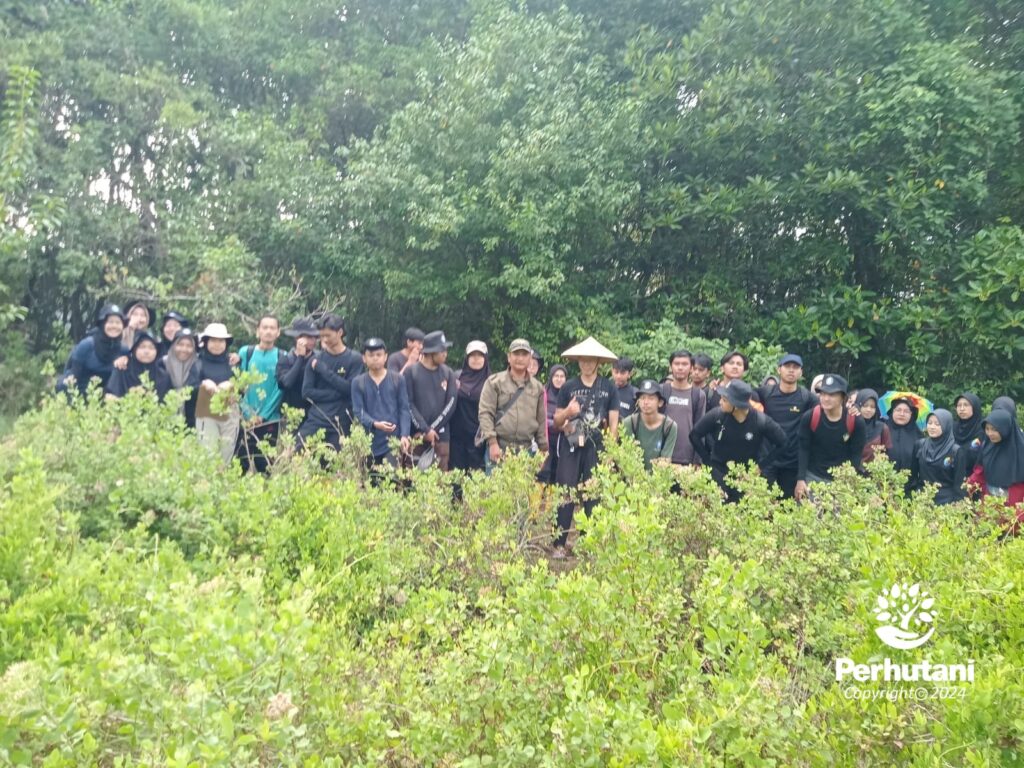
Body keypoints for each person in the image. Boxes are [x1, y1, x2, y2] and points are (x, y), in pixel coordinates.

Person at [552, 337, 619, 558]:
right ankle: (559, 544)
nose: (587, 364)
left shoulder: (609, 387)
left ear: (598, 362)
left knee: (593, 495)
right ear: (578, 360)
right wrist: (568, 412)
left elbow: (613, 423)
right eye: (583, 360)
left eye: (591, 360)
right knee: (566, 492)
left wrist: (611, 451)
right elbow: (557, 421)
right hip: (571, 446)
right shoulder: (568, 387)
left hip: (596, 447)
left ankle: (589, 543)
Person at [690, 380, 787, 502]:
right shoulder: (717, 415)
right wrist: (708, 461)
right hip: (718, 473)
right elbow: (694, 435)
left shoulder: (760, 421)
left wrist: (761, 466)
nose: (720, 402)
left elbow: (783, 443)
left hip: (746, 478)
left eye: (724, 400)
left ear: (736, 405)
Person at [477, 339, 548, 471]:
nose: (520, 358)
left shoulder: (537, 387)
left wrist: (543, 449)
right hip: (499, 448)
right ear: (509, 357)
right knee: (495, 485)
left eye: (524, 354)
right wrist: (492, 442)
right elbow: (485, 413)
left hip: (526, 451)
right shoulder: (494, 382)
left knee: (524, 485)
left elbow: (541, 421)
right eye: (516, 354)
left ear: (530, 358)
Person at [795, 374, 866, 501]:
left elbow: (856, 455)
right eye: (823, 394)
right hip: (812, 478)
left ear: (843, 397)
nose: (826, 398)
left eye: (832, 395)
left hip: (840, 483)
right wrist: (800, 479)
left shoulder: (855, 421)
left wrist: (848, 483)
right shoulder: (810, 417)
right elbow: (803, 449)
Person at [299, 314, 363, 450]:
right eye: (321, 336)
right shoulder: (315, 360)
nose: (324, 339)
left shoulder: (355, 359)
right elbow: (306, 393)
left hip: (341, 422)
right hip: (316, 419)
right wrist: (336, 394)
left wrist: (324, 371)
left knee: (336, 460)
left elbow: (350, 389)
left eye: (328, 335)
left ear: (340, 332)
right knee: (296, 452)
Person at [758, 353, 818, 498]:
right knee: (764, 506)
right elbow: (741, 399)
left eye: (795, 367)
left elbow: (829, 410)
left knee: (789, 507)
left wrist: (854, 410)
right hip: (767, 462)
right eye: (787, 366)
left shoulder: (807, 398)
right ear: (779, 369)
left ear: (801, 372)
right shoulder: (765, 393)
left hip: (792, 463)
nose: (791, 370)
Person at [352, 337, 412, 477]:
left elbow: (404, 409)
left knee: (391, 480)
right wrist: (374, 424)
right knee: (371, 482)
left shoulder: (397, 379)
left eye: (379, 355)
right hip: (368, 442)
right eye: (371, 355)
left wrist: (404, 435)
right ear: (364, 358)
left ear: (385, 357)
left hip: (392, 441)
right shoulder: (358, 382)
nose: (375, 358)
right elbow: (358, 411)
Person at [404, 330, 458, 471]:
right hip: (416, 436)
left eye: (445, 350)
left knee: (440, 479)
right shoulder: (411, 372)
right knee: (412, 477)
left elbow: (451, 404)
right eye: (441, 351)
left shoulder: (448, 373)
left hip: (441, 437)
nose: (445, 354)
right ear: (430, 352)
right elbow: (408, 404)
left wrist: (432, 429)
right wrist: (425, 430)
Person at [237, 315, 284, 473]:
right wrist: (248, 414)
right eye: (265, 327)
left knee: (265, 463)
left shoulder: (282, 356)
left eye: (272, 328)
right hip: (245, 418)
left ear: (278, 332)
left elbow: (280, 390)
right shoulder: (246, 352)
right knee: (241, 460)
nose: (268, 331)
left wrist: (262, 416)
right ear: (258, 331)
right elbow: (239, 385)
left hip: (270, 419)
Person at [966, 409, 1024, 533]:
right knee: (988, 535)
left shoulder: (1020, 449)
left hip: (1014, 506)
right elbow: (981, 472)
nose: (990, 433)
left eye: (994, 429)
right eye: (987, 429)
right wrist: (967, 486)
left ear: (1005, 428)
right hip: (990, 502)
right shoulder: (988, 447)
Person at [57, 304, 130, 398]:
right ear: (102, 324)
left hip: (109, 399)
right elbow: (73, 375)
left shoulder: (124, 350)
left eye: (118, 323)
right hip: (80, 396)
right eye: (110, 322)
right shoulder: (87, 345)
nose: (114, 326)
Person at [194, 323, 241, 464]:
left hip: (230, 411)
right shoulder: (197, 361)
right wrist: (204, 384)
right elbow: (190, 386)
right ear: (206, 342)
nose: (217, 344)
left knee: (226, 453)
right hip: (206, 410)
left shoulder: (232, 362)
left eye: (221, 341)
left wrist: (232, 387)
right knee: (208, 455)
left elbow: (243, 387)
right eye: (213, 340)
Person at [910, 410, 967, 506]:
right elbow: (913, 476)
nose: (932, 427)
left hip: (945, 502)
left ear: (946, 426)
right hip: (922, 499)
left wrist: (957, 505)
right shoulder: (920, 445)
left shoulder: (955, 451)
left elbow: (959, 484)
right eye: (929, 423)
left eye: (937, 424)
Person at [660, 350, 707, 467]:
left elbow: (700, 430)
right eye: (677, 364)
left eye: (685, 364)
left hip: (686, 458)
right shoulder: (661, 390)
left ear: (691, 368)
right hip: (661, 455)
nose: (680, 367)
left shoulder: (698, 395)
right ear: (670, 367)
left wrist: (698, 460)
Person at [450, 340, 491, 472]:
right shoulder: (456, 378)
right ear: (467, 358)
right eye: (472, 355)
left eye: (480, 355)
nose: (476, 359)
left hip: (480, 438)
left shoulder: (491, 381)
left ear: (485, 358)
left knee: (477, 475)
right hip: (457, 437)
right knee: (457, 475)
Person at [622, 379, 678, 471]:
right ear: (638, 401)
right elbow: (628, 457)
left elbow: (665, 460)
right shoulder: (630, 422)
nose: (646, 402)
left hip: (658, 476)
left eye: (651, 398)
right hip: (634, 475)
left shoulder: (669, 426)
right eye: (642, 398)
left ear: (660, 402)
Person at [276, 317, 319, 421]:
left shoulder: (319, 359)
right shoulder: (286, 360)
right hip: (291, 415)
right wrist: (300, 358)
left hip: (314, 415)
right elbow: (286, 384)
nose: (313, 341)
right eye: (309, 337)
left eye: (315, 337)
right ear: (298, 338)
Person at [155, 327, 200, 426]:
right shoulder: (162, 363)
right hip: (164, 419)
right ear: (174, 345)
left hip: (192, 422)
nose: (184, 349)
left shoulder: (199, 365)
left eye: (189, 346)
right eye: (180, 344)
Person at [105, 330, 159, 399]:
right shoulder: (122, 368)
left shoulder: (162, 375)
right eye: (142, 347)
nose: (146, 351)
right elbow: (111, 395)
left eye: (151, 348)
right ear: (135, 350)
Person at [539, 364, 567, 483]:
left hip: (562, 441)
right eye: (556, 376)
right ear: (551, 377)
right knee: (543, 472)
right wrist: (556, 424)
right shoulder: (543, 393)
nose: (559, 379)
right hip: (545, 439)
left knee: (559, 474)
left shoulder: (568, 395)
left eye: (562, 376)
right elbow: (540, 417)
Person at [851, 389, 892, 464]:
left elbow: (886, 454)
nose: (868, 409)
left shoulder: (882, 428)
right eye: (865, 405)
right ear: (858, 405)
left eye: (872, 407)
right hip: (849, 470)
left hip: (873, 470)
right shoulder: (850, 424)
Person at [886, 397, 923, 476]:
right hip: (883, 479)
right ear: (892, 411)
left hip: (910, 481)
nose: (902, 414)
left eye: (906, 411)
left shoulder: (918, 436)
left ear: (911, 414)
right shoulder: (882, 430)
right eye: (898, 410)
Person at [953, 392, 985, 474]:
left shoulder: (983, 428)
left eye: (966, 405)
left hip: (976, 475)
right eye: (959, 405)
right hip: (954, 473)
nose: (962, 409)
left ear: (974, 407)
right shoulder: (953, 427)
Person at [611, 357, 638, 421]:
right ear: (612, 371)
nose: (618, 376)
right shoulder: (606, 390)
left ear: (630, 374)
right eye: (616, 372)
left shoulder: (635, 394)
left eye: (622, 373)